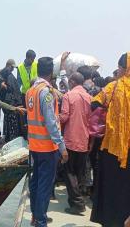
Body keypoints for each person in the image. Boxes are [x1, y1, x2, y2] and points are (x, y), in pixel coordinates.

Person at [26, 57, 68, 227]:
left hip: (34, 145)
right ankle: (41, 221)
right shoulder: (46, 92)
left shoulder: (31, 91)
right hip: (47, 146)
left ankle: (36, 216)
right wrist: (62, 146)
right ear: (51, 72)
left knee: (36, 182)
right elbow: (51, 122)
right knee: (45, 185)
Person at [91, 52, 130, 227]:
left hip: (112, 148)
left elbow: (95, 103)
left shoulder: (113, 87)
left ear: (123, 68)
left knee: (111, 189)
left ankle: (110, 221)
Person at [59, 72, 91, 215]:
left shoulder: (68, 96)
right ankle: (80, 199)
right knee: (80, 172)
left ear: (72, 82)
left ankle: (77, 203)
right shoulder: (90, 97)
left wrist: (52, 119)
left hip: (71, 139)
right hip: (84, 139)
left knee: (69, 171)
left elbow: (64, 116)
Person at [0, 59, 23, 142]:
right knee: (12, 122)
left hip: (12, 103)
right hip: (11, 103)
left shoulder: (8, 76)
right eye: (12, 67)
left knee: (11, 122)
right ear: (8, 66)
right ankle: (12, 139)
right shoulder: (6, 75)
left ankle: (11, 139)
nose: (13, 69)